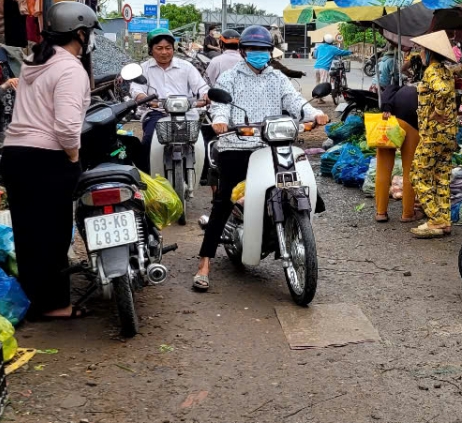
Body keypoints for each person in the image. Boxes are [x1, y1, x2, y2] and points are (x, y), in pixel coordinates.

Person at [197, 25, 329, 291]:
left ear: (270, 52)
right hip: (236, 143)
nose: (259, 54)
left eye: (264, 50)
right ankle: (204, 263)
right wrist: (221, 122)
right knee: (224, 200)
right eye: (254, 49)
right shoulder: (230, 77)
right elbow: (221, 106)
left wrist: (314, 114)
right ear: (244, 51)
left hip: (272, 144)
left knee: (303, 189)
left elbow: (295, 101)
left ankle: (287, 228)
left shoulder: (277, 77)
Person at [0, 1, 96, 320]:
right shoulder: (70, 68)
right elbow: (68, 127)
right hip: (47, 158)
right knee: (53, 235)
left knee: (29, 235)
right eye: (89, 32)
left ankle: (33, 302)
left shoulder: (33, 61)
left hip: (15, 155)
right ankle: (55, 306)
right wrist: (73, 156)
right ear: (80, 33)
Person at [132, 28, 209, 174]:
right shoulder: (144, 69)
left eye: (168, 48)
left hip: (186, 113)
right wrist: (141, 97)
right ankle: (147, 179)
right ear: (151, 50)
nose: (164, 52)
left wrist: (206, 96)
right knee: (147, 142)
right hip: (156, 113)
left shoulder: (186, 67)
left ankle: (202, 175)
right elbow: (136, 89)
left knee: (202, 145)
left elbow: (201, 86)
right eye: (159, 48)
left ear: (173, 49)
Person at [408, 31, 459, 239]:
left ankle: (435, 218)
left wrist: (436, 111)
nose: (420, 53)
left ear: (429, 52)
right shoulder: (446, 71)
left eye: (421, 50)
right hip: (447, 135)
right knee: (441, 177)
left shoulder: (432, 71)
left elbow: (443, 92)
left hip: (433, 135)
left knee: (418, 174)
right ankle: (444, 220)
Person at [373, 59, 422, 223]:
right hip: (413, 126)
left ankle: (381, 212)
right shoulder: (428, 84)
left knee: (383, 169)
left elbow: (386, 95)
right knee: (410, 170)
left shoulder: (399, 82)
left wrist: (386, 108)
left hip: (391, 124)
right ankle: (407, 214)